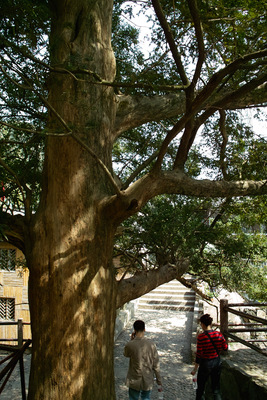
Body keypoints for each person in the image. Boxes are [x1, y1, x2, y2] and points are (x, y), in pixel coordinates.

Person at [191, 313, 228, 400]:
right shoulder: (219, 335)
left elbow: (199, 354)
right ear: (210, 324)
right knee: (216, 389)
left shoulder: (201, 337)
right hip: (216, 362)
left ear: (202, 324)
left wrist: (195, 369)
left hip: (205, 364)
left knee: (200, 388)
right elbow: (225, 348)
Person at [124, 320, 162, 400]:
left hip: (134, 377)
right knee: (146, 397)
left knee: (133, 398)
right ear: (144, 329)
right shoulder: (151, 345)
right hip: (147, 378)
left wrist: (132, 340)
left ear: (134, 330)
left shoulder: (130, 344)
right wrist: (159, 379)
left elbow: (126, 354)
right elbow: (156, 364)